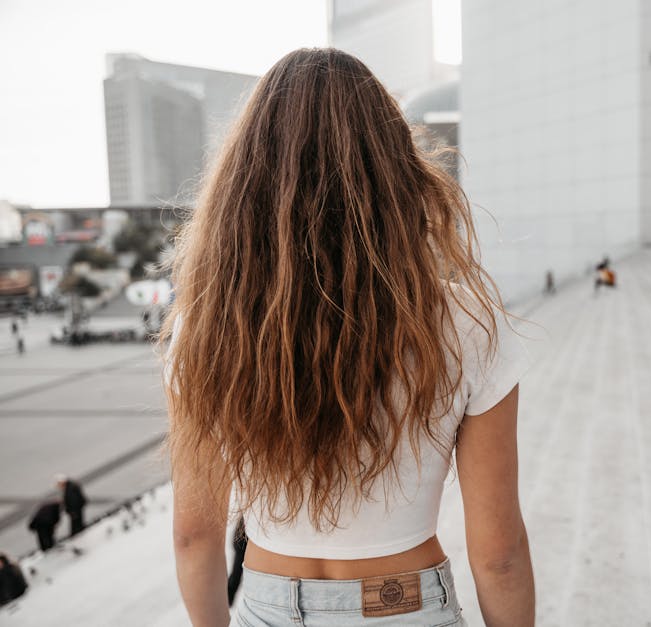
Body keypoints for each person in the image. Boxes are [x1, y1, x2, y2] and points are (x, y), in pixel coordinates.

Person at [162, 48, 534, 627]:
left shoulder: (207, 329)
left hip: (268, 605)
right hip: (409, 607)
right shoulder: (466, 321)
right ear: (395, 171)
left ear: (245, 183)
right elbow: (500, 553)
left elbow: (193, 534)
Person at [227, 517, 248, 606]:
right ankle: (227, 601)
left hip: (243, 538)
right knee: (235, 577)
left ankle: (227, 601)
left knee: (235, 576)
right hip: (243, 539)